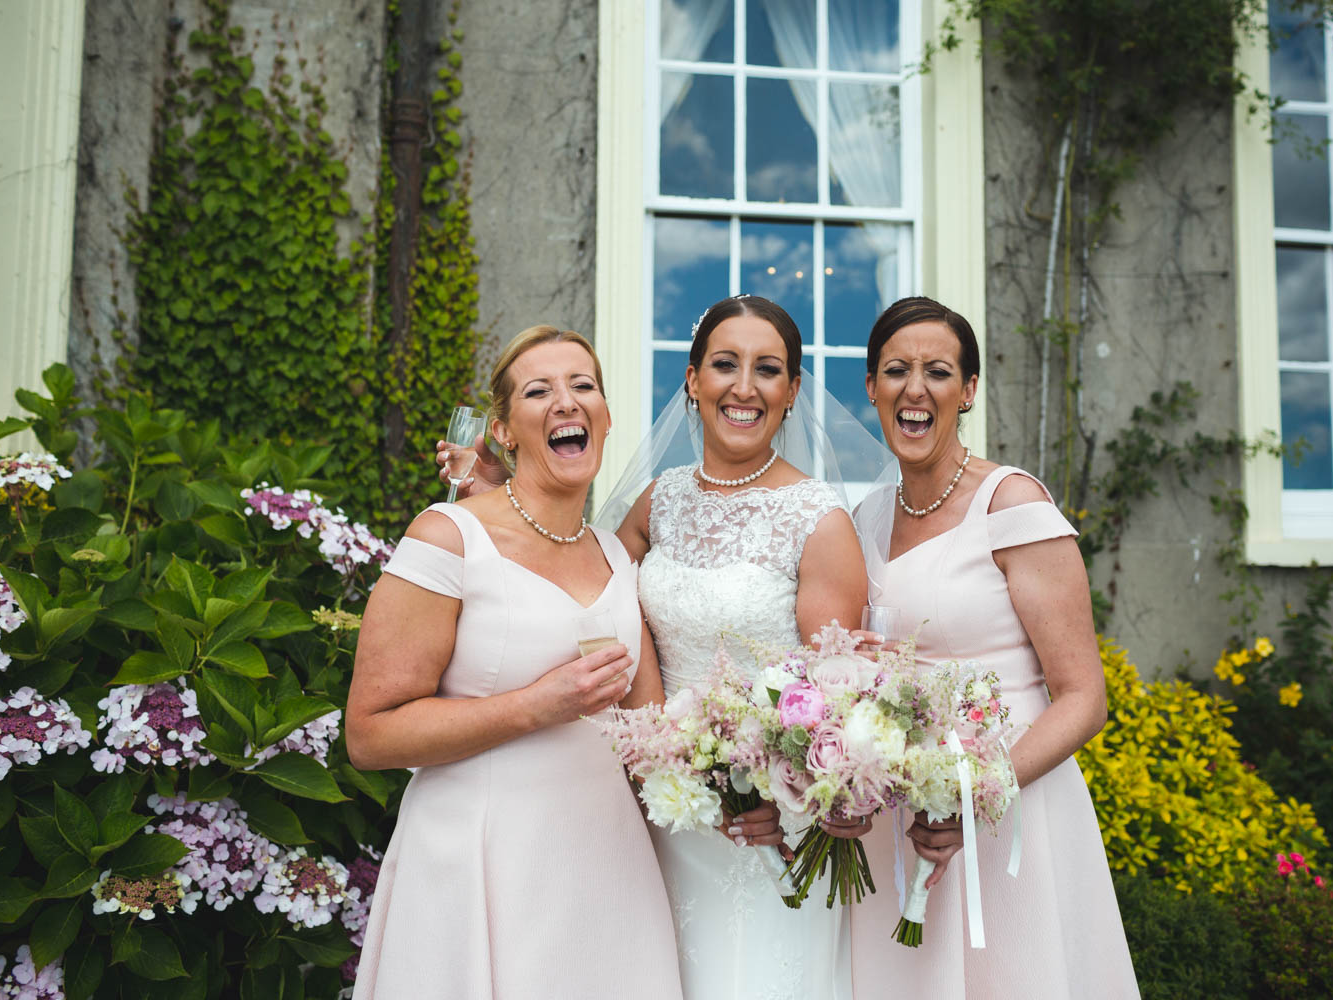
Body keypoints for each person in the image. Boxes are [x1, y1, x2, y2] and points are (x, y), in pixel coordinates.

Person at [439, 296, 878, 1000]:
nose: (744, 386)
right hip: (656, 815)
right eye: (725, 364)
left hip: (764, 829)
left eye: (767, 369)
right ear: (692, 381)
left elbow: (834, 697)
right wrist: (498, 489)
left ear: (792, 390)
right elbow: (578, 567)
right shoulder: (658, 501)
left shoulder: (818, 519)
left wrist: (789, 800)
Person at [347, 326, 682, 999]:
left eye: (582, 386)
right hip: (481, 862)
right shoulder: (449, 534)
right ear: (502, 430)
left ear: (607, 417)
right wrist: (536, 705)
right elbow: (370, 734)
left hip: (605, 869)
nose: (566, 401)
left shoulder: (618, 557)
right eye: (540, 390)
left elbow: (653, 736)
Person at [846, 296, 1139, 999]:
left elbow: (1083, 699)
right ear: (872, 389)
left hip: (1008, 809)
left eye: (938, 372)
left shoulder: (1013, 506)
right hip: (899, 818)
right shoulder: (863, 517)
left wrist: (971, 794)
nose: (915, 389)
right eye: (895, 371)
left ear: (968, 390)